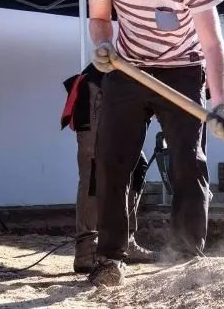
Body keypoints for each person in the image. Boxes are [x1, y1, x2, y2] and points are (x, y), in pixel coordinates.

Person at [80, 0, 224, 287]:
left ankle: (187, 255)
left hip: (183, 70)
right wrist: (103, 45)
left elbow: (212, 43)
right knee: (112, 162)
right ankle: (109, 257)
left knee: (188, 161)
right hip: (128, 68)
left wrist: (222, 104)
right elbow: (100, 19)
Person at [60, 64, 156, 273]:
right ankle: (88, 247)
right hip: (99, 90)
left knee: (136, 166)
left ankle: (124, 240)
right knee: (96, 168)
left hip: (128, 94)